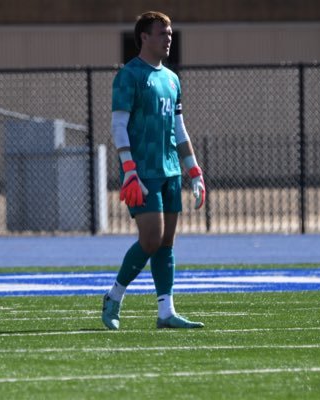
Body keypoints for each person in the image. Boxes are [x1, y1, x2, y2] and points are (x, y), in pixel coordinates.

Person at [102, 11, 206, 330]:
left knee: (166, 243)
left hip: (170, 171)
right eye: (162, 32)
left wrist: (194, 171)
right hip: (142, 171)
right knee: (150, 239)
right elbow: (118, 125)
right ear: (144, 37)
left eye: (170, 32)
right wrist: (129, 169)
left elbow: (179, 129)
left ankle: (166, 312)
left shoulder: (172, 79)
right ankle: (114, 297)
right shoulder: (129, 76)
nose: (168, 38)